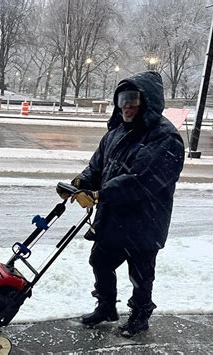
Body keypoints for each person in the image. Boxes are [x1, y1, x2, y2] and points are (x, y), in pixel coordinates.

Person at [57, 71, 184, 337]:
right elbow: (97, 167)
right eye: (122, 98)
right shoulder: (115, 134)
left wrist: (99, 195)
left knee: (140, 276)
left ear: (147, 101)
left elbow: (140, 181)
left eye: (133, 99)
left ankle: (139, 316)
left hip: (145, 222)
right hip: (114, 219)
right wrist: (80, 183)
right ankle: (106, 307)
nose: (126, 105)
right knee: (100, 262)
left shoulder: (165, 138)